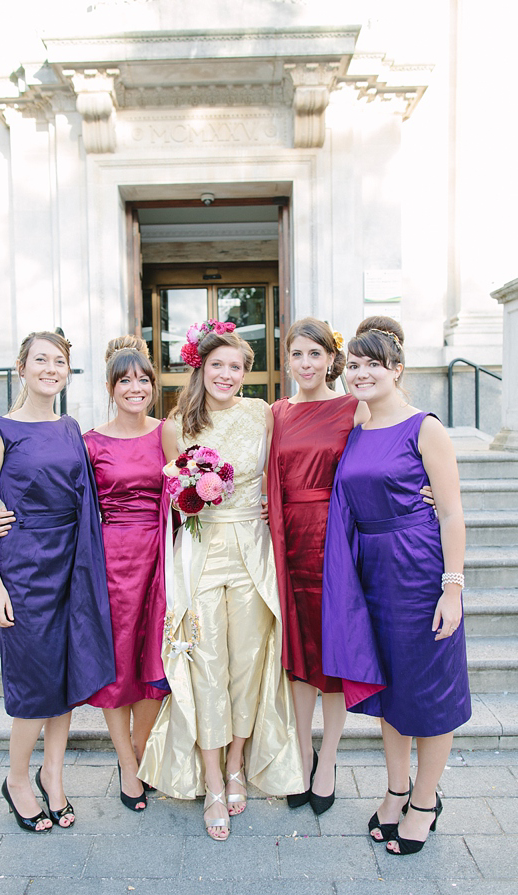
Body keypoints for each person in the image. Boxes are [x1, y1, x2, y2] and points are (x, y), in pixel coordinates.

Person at [139, 320, 303, 841]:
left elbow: (294, 465)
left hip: (253, 551)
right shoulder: (175, 425)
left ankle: (237, 764)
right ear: (200, 368)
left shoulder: (263, 415)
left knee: (248, 664)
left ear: (247, 373)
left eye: (236, 367)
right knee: (206, 662)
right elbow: (171, 495)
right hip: (201, 554)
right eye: (217, 366)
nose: (226, 375)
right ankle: (211, 779)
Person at [322, 315, 471, 856]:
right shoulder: (358, 428)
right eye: (354, 365)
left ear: (398, 369)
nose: (360, 373)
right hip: (372, 573)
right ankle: (396, 789)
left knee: (429, 690)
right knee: (390, 689)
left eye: (373, 365)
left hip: (419, 568)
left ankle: (425, 800)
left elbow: (452, 514)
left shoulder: (425, 426)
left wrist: (450, 589)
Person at [0, 331, 115, 833]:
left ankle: (52, 775)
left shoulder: (70, 426)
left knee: (66, 676)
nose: (50, 368)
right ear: (21, 367)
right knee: (35, 682)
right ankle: (16, 779)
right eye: (41, 360)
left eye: (59, 361)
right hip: (25, 568)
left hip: (71, 562)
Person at [268, 318, 369, 815]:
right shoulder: (276, 413)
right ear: (287, 360)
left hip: (335, 540)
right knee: (298, 653)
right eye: (297, 354)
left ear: (332, 358)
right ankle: (300, 754)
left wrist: (425, 489)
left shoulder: (355, 408)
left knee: (333, 652)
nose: (305, 364)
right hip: (286, 539)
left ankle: (328, 757)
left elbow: (385, 456)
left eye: (315, 354)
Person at [83, 337, 171, 811]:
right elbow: (70, 503)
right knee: (119, 665)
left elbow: (188, 486)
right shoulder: (90, 442)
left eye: (143, 380)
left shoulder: (168, 432)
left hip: (160, 556)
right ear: (111, 387)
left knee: (152, 662)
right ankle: (126, 762)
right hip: (113, 560)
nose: (135, 388)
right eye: (125, 380)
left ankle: (142, 750)